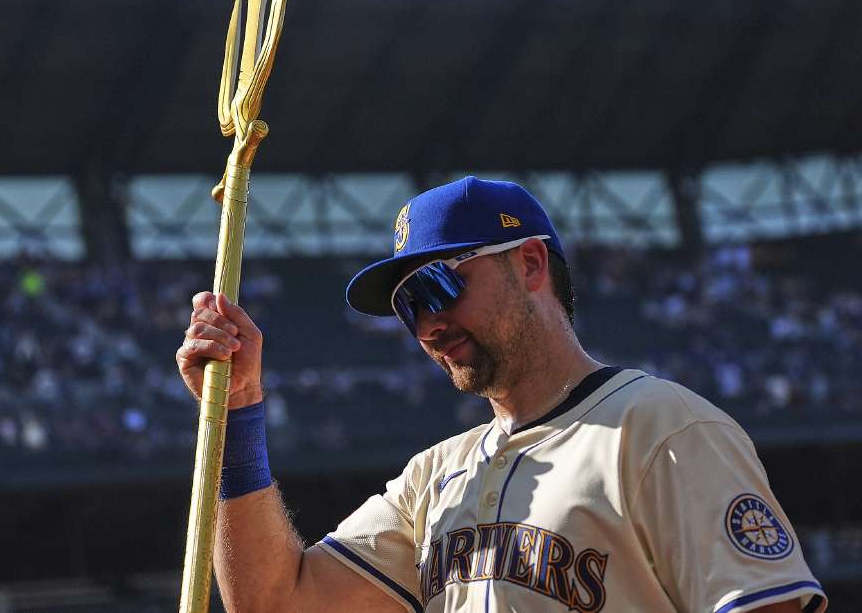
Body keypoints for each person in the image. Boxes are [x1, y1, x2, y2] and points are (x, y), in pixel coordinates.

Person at [176, 176, 827, 613]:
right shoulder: (433, 478)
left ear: (531, 265)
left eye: (436, 286)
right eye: (406, 308)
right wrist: (237, 414)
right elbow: (273, 601)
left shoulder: (662, 430)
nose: (426, 324)